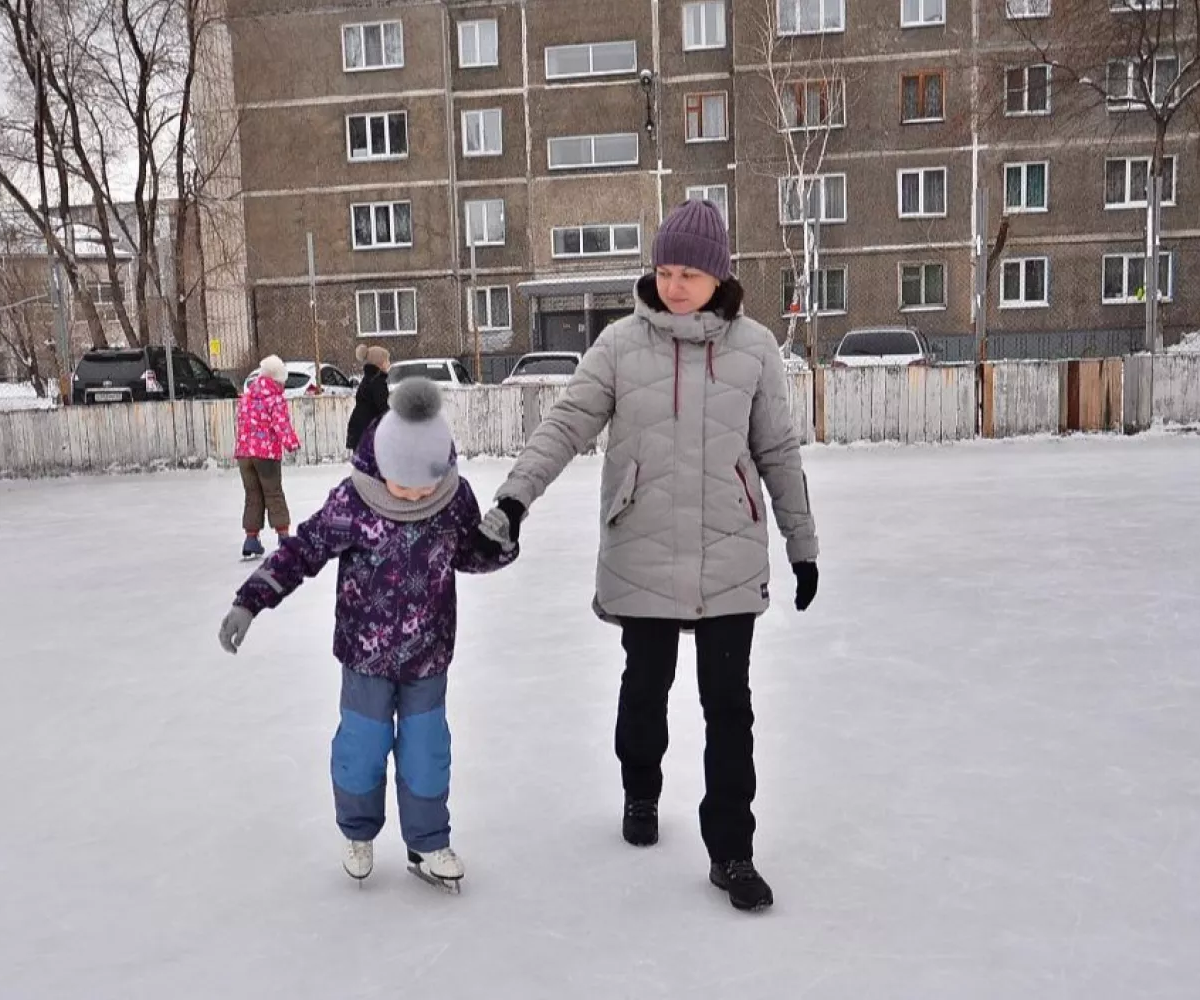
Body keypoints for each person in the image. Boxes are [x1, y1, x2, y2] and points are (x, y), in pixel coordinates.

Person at [478, 199, 820, 912]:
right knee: (646, 687)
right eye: (664, 270)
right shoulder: (619, 345)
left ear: (719, 275)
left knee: (729, 707)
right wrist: (513, 501)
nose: (673, 285)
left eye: (688, 273)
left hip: (729, 550)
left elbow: (777, 453)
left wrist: (803, 545)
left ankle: (732, 850)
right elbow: (567, 423)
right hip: (642, 544)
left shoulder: (754, 348)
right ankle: (641, 786)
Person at [218, 378, 517, 889]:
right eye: (406, 486)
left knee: (427, 750)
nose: (418, 496)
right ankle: (358, 832)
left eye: (428, 486)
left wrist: (498, 543)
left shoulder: (452, 498)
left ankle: (427, 843)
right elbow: (303, 551)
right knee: (362, 745)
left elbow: (467, 554)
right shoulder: (354, 501)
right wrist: (251, 600)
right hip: (364, 657)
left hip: (428, 656)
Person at [235, 355, 301, 560]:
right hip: (266, 454)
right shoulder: (275, 398)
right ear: (277, 378)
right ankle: (283, 537)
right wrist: (292, 443)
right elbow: (281, 424)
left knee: (252, 495)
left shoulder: (246, 397)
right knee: (274, 493)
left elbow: (242, 423)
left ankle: (251, 539)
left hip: (244, 454)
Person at [347, 344, 392, 450]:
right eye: (387, 360)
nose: (389, 363)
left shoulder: (368, 379)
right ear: (380, 364)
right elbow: (382, 407)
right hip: (369, 430)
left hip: (360, 427)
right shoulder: (378, 382)